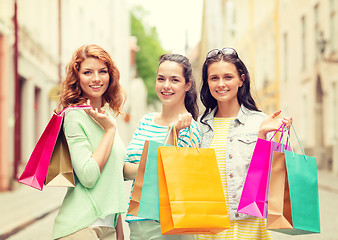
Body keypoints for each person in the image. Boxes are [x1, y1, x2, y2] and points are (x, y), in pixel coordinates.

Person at [197, 48, 292, 239]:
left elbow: (276, 178)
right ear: (207, 83)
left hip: (249, 226)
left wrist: (269, 137)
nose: (221, 84)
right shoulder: (200, 127)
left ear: (241, 80)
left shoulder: (261, 122)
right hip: (209, 228)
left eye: (228, 77)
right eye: (214, 78)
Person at [52, 44, 127, 240]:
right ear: (77, 78)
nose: (96, 78)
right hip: (81, 227)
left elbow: (114, 176)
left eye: (102, 71)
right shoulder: (74, 117)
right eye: (87, 72)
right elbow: (88, 175)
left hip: (108, 227)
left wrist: (119, 231)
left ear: (110, 76)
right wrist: (110, 130)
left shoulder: (107, 115)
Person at [123, 53, 201, 240]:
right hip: (136, 221)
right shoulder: (146, 121)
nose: (166, 86)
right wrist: (151, 167)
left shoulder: (190, 128)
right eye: (161, 79)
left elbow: (172, 176)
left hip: (167, 225)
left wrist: (172, 133)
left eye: (174, 80)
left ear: (187, 85)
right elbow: (124, 170)